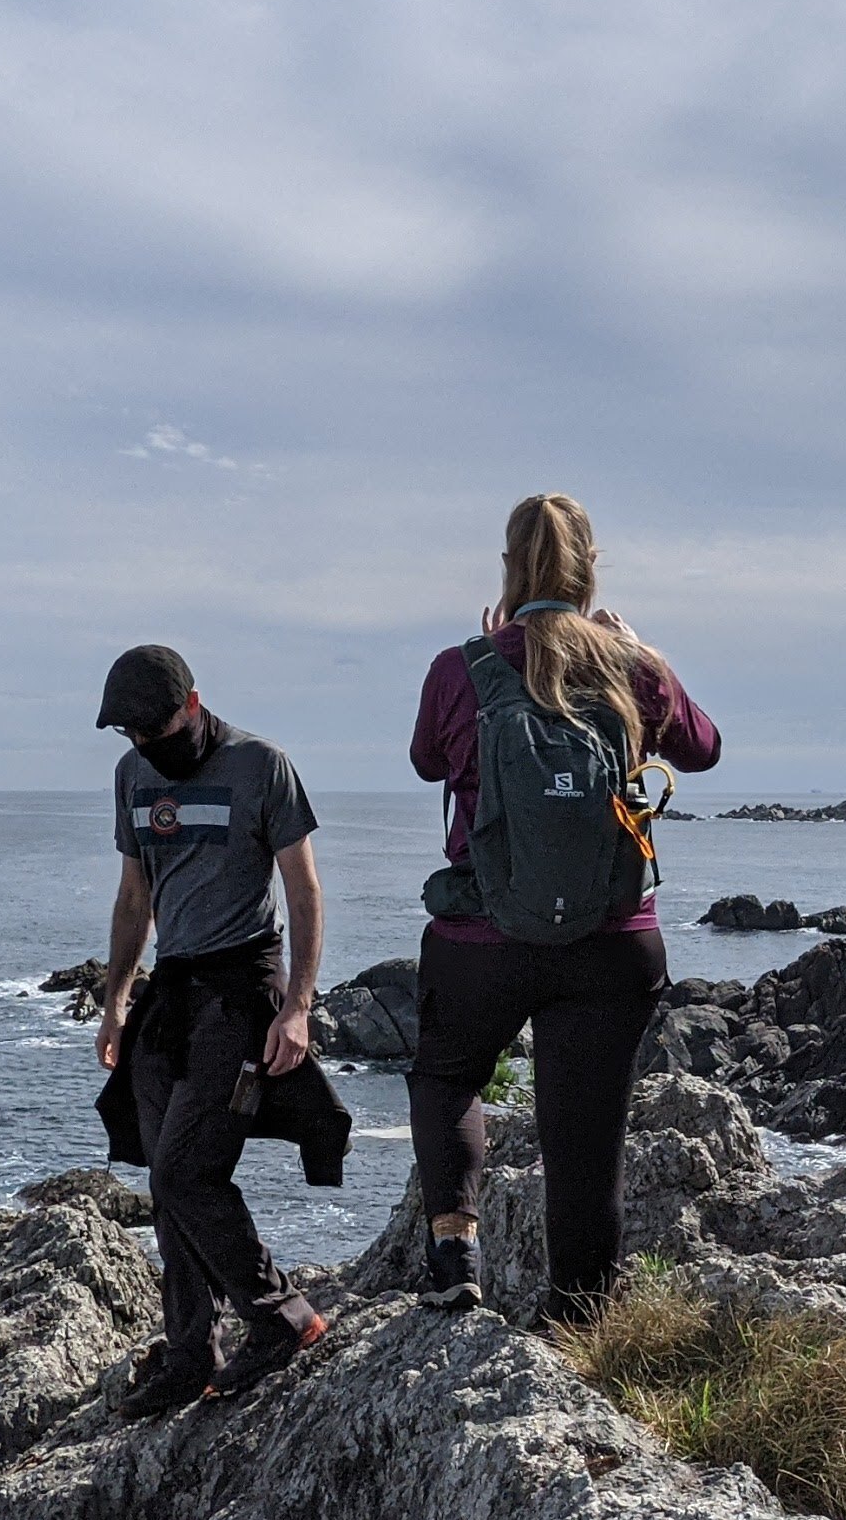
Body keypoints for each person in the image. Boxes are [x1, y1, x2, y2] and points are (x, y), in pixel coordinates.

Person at [407, 493, 723, 1320]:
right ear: (591, 572)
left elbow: (423, 762)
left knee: (446, 1074)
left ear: (511, 569)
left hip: (483, 937)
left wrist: (487, 648)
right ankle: (580, 1325)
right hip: (613, 943)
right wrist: (639, 651)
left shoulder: (464, 666)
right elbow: (704, 748)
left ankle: (453, 1240)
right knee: (586, 1150)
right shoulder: (633, 669)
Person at [92, 644, 336, 1414]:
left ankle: (283, 1319)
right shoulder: (134, 774)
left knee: (186, 1173)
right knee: (165, 1180)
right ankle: (190, 1350)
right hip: (174, 994)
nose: (144, 745)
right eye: (130, 734)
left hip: (243, 990)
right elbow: (136, 895)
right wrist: (116, 999)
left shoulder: (262, 766)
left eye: (154, 728)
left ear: (192, 706)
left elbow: (303, 892)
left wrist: (298, 1007)